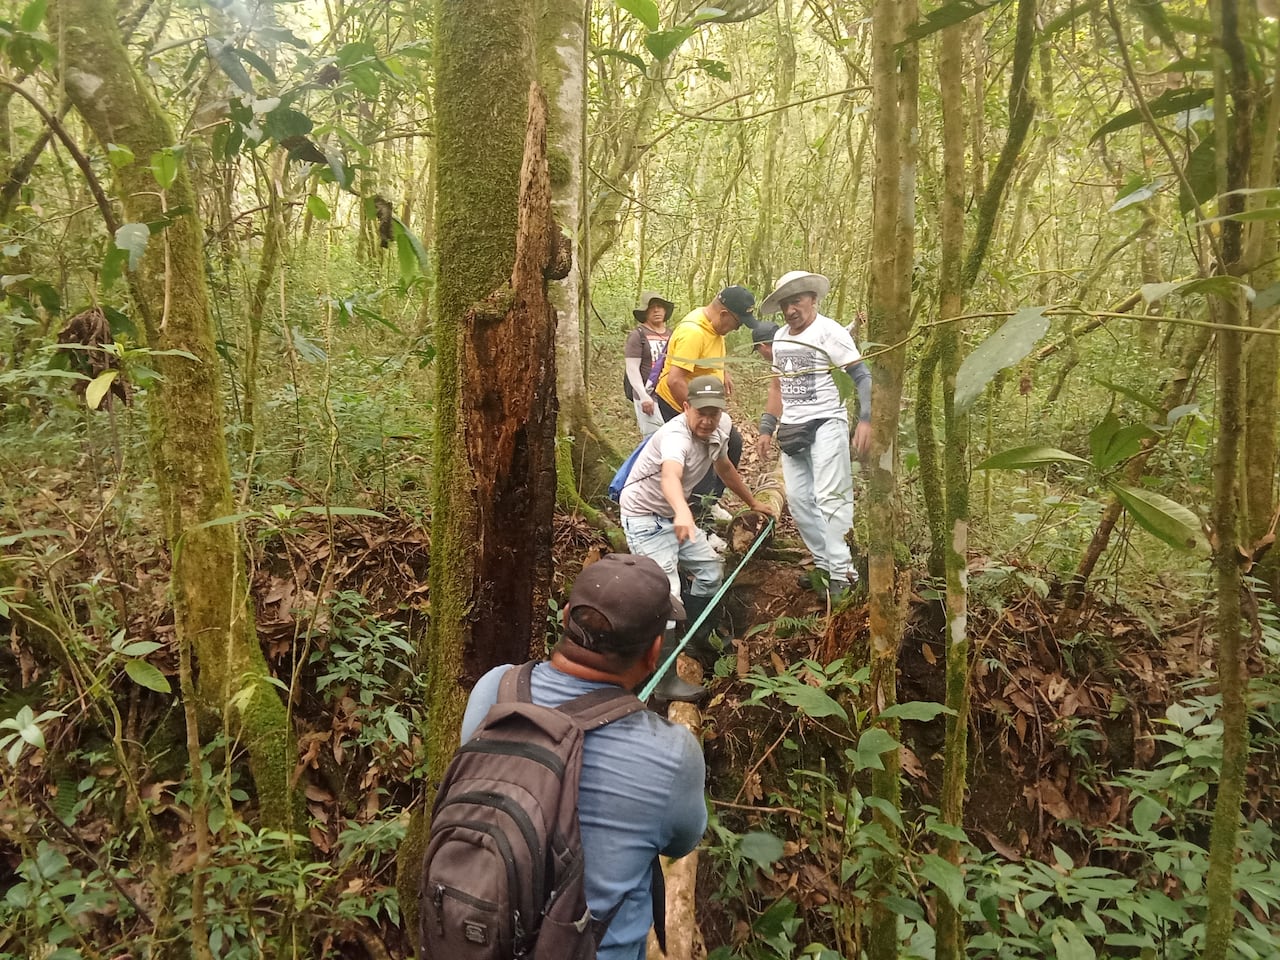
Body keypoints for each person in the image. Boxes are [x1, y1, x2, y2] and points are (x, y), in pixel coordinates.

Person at [460, 554, 706, 960]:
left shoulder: (495, 689)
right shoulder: (674, 752)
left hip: (479, 936)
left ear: (566, 616)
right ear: (654, 652)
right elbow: (681, 843)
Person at [619, 375, 773, 701]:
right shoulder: (676, 437)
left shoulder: (721, 427)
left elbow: (724, 467)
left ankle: (698, 635)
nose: (707, 421)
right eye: (701, 412)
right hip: (645, 517)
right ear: (686, 406)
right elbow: (670, 476)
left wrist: (753, 502)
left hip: (675, 516)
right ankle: (663, 682)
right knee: (666, 593)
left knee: (710, 569)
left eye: (714, 413)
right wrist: (682, 511)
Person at [755, 271, 872, 601]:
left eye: (796, 301)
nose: (790, 310)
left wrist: (866, 419)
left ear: (813, 299)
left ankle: (844, 574)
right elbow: (777, 386)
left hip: (826, 422)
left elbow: (861, 375)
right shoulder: (780, 338)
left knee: (831, 498)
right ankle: (824, 566)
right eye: (784, 304)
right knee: (799, 501)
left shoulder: (830, 332)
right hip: (793, 428)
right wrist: (767, 427)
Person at [652, 286, 759, 518]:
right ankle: (696, 511)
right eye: (737, 323)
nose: (736, 329)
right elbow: (675, 380)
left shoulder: (715, 329)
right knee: (703, 454)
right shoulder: (693, 332)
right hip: (679, 402)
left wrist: (723, 372)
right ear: (724, 314)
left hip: (702, 400)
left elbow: (707, 357)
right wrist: (700, 416)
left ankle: (710, 501)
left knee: (732, 443)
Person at [623, 292, 674, 437]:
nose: (656, 310)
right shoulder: (638, 335)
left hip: (669, 396)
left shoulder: (672, 335)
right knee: (653, 440)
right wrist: (643, 395)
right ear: (645, 312)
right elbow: (632, 368)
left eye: (660, 306)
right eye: (651, 307)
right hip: (648, 396)